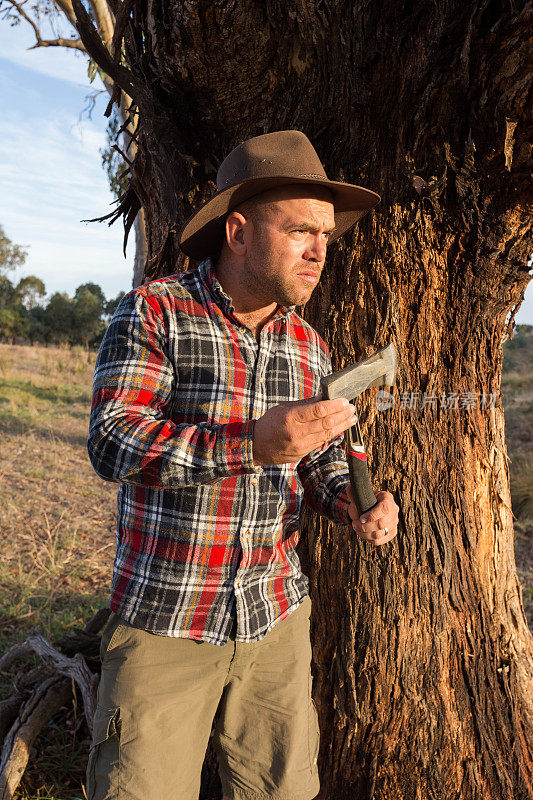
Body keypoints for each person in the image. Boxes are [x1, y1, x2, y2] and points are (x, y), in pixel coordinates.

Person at [86, 130, 399, 800]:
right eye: (298, 231)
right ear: (237, 232)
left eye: (324, 234)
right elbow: (114, 442)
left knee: (281, 792)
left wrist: (355, 499)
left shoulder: (308, 347)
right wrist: (249, 444)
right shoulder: (156, 313)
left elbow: (315, 469)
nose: (319, 249)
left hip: (274, 620)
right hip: (166, 617)